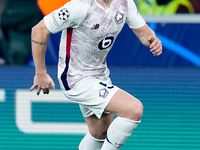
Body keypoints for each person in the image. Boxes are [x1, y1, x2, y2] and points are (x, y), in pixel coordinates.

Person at [30, 0, 162, 149]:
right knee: (134, 110)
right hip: (75, 78)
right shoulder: (78, 7)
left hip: (100, 76)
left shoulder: (125, 3)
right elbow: (39, 30)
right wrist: (40, 73)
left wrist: (152, 40)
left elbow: (144, 33)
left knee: (100, 133)